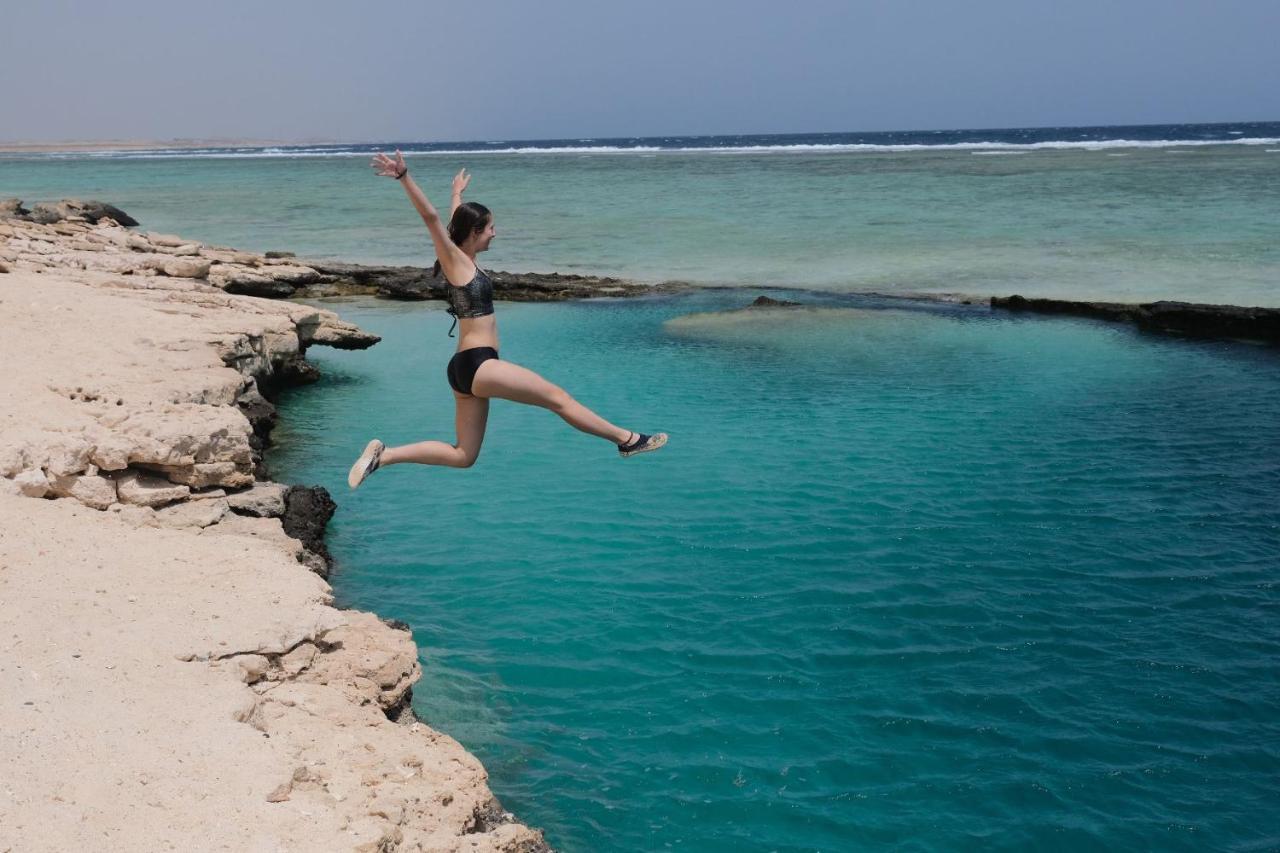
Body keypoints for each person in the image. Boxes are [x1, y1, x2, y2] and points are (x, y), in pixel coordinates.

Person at [348, 150, 667, 488]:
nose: (495, 234)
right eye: (491, 228)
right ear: (475, 232)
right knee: (559, 399)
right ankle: (627, 439)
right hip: (478, 364)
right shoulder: (456, 261)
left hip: (465, 368)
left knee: (463, 456)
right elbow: (432, 219)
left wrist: (457, 193)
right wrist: (404, 177)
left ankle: (385, 456)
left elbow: (455, 221)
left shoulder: (464, 256)